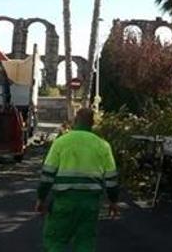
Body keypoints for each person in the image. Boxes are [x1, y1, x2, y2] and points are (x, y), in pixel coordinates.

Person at [36, 108, 120, 252]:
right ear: (92, 123)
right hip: (90, 204)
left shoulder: (61, 142)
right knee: (85, 242)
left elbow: (47, 175)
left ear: (75, 122)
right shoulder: (103, 145)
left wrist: (41, 198)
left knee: (55, 241)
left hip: (64, 202)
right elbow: (111, 179)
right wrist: (113, 201)